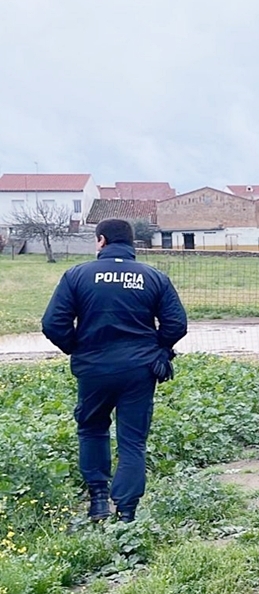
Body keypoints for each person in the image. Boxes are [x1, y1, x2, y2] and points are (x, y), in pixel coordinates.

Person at [41, 219, 187, 523]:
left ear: (101, 241)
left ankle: (98, 501)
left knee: (92, 428)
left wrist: (76, 347)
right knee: (133, 440)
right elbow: (177, 325)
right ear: (132, 243)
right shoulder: (154, 277)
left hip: (94, 369)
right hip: (139, 370)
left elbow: (53, 324)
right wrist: (158, 350)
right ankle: (127, 514)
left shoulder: (77, 275)